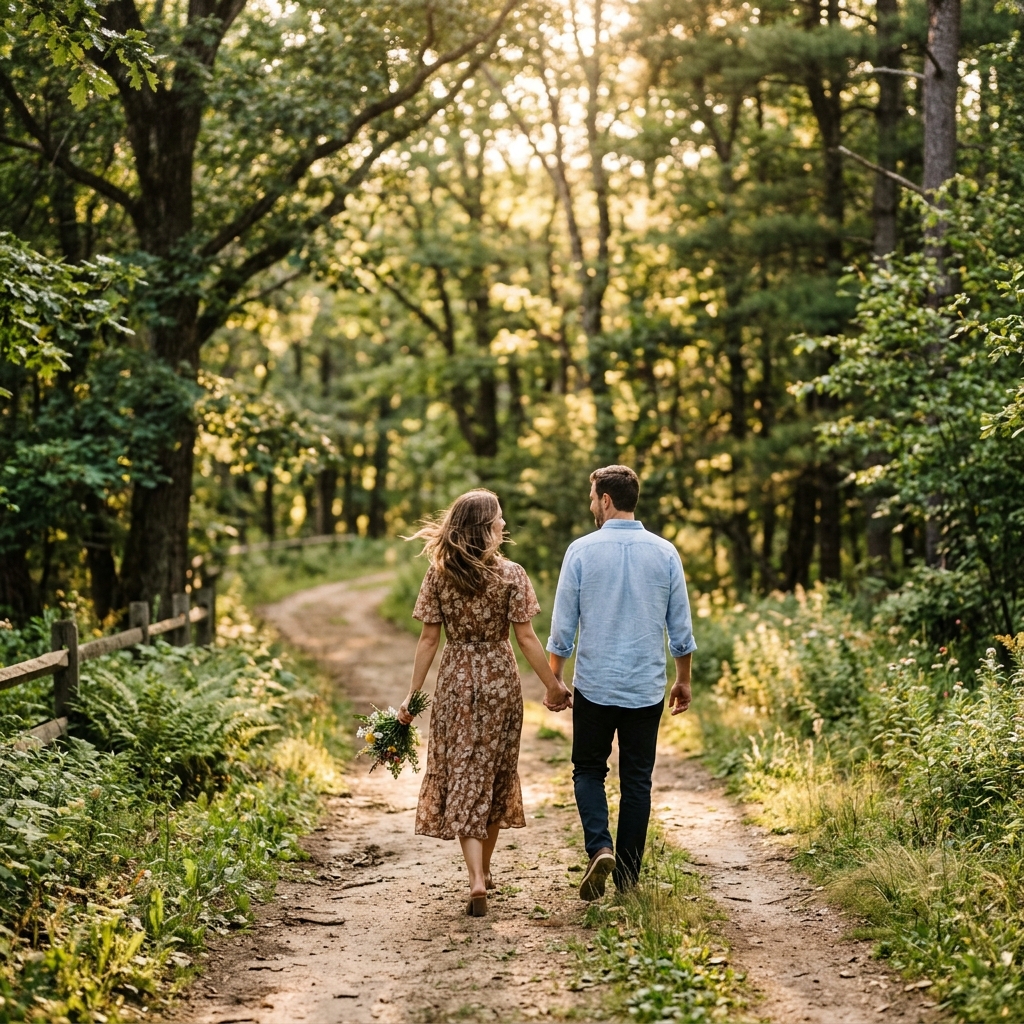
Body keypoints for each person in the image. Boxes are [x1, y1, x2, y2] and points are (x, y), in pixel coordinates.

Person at [397, 489, 572, 917]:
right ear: (484, 527)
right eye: (498, 520)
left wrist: (412, 696)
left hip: (456, 680)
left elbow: (428, 639)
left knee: (462, 774)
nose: (503, 526)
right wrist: (552, 686)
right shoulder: (512, 574)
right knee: (493, 773)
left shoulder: (439, 575)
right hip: (499, 681)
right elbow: (526, 637)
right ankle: (485, 872)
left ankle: (477, 877)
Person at [547, 465, 696, 900]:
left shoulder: (580, 551)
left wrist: (555, 679)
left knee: (588, 770)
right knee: (637, 782)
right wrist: (683, 680)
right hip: (645, 688)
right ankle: (628, 881)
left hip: (595, 685)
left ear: (607, 500)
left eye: (593, 497)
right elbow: (680, 629)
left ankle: (600, 846)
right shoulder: (666, 552)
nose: (591, 504)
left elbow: (562, 627)